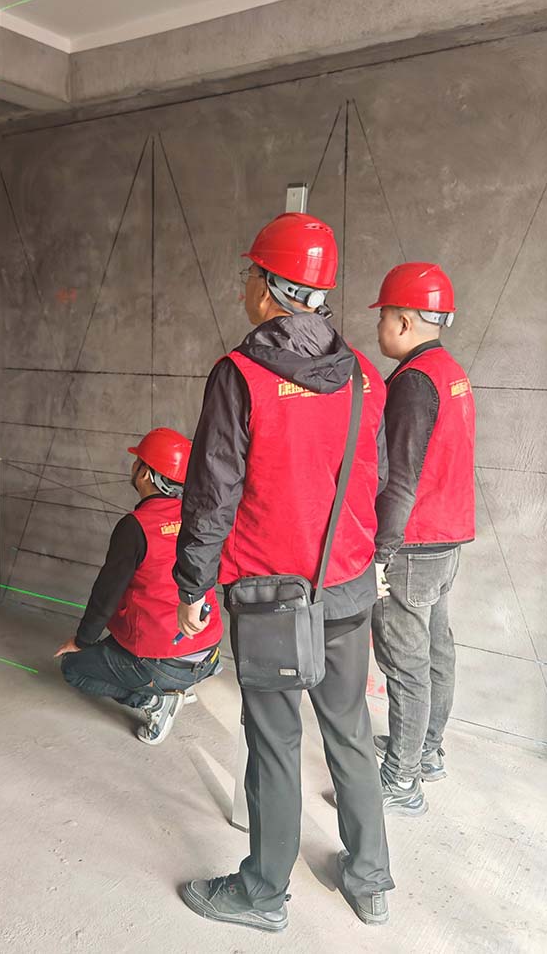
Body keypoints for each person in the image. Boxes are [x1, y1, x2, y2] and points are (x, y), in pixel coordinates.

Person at [173, 213, 394, 933]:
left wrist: (192, 585)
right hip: (347, 590)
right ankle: (369, 879)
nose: (244, 285)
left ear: (270, 287)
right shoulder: (363, 375)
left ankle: (264, 892)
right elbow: (376, 478)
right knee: (350, 731)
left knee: (273, 742)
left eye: (249, 273)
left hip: (271, 598)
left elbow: (212, 493)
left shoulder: (239, 377)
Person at [368, 263, 475, 816]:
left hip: (411, 546)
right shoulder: (450, 371)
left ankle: (400, 781)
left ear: (405, 321)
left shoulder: (412, 382)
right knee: (435, 651)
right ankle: (426, 752)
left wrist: (379, 553)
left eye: (383, 317)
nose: (380, 327)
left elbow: (400, 478)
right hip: (445, 539)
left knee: (405, 664)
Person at [55, 428, 222, 746]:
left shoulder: (135, 527)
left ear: (145, 473)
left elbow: (106, 595)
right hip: (209, 652)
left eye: (137, 462)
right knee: (120, 642)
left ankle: (155, 700)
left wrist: (82, 641)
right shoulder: (199, 519)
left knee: (74, 669)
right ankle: (178, 684)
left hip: (165, 662)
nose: (133, 467)